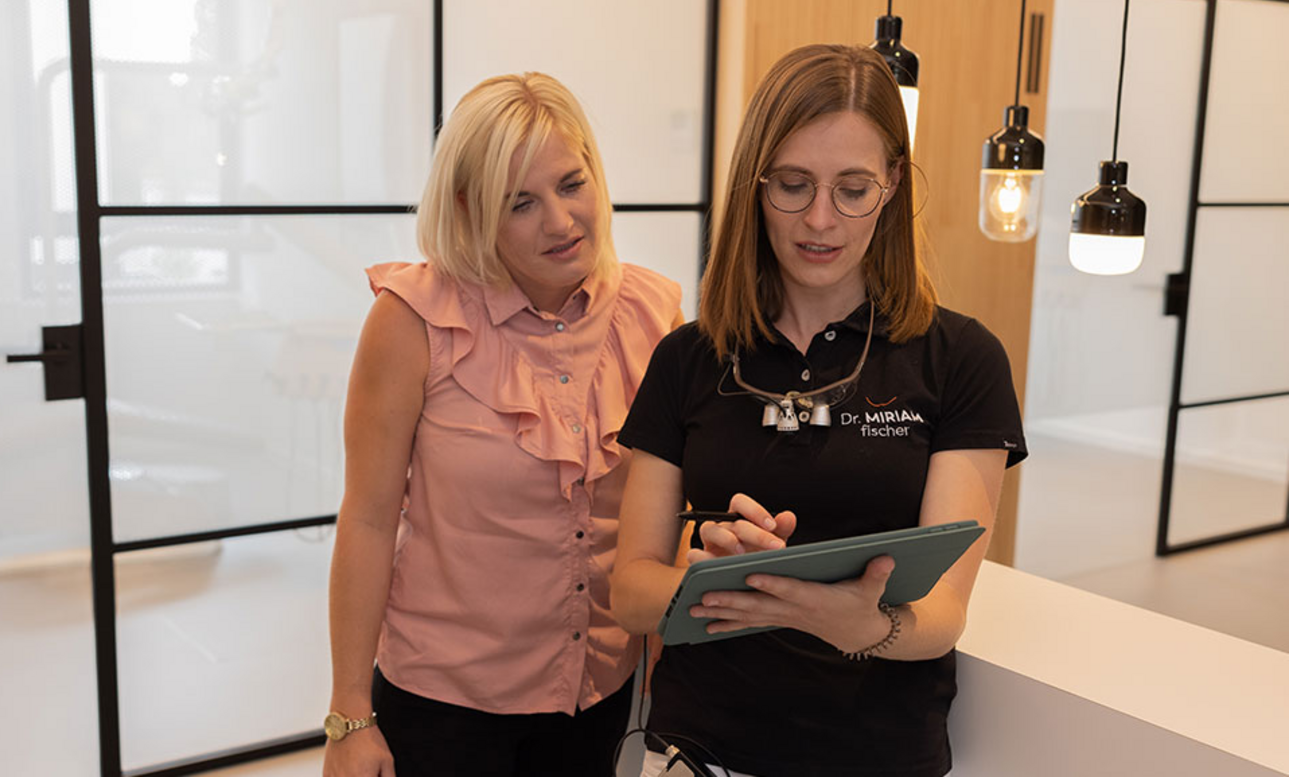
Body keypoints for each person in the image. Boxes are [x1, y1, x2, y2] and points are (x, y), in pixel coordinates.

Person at [610, 43, 1027, 777]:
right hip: (700, 749)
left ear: (894, 183)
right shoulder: (690, 357)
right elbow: (632, 592)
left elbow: (941, 616)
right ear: (755, 182)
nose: (821, 220)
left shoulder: (961, 358)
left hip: (878, 753)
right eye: (794, 185)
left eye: (854, 188)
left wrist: (860, 622)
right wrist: (725, 585)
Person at [324, 71, 683, 777]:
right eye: (521, 202)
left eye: (572, 184)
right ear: (472, 208)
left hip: (599, 695)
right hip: (444, 703)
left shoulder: (652, 314)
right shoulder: (412, 320)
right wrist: (348, 715)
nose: (560, 220)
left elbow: (667, 519)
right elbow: (366, 519)